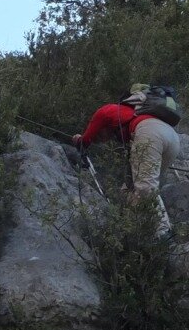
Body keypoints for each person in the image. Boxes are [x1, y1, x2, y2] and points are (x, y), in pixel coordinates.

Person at [72, 86, 181, 235]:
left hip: (150, 133)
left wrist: (80, 140)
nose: (103, 140)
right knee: (134, 188)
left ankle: (163, 233)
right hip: (173, 137)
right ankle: (138, 229)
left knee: (145, 187)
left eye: (101, 137)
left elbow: (86, 138)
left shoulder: (107, 110)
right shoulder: (131, 115)